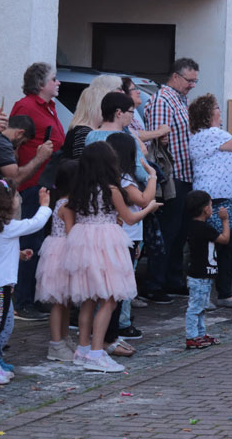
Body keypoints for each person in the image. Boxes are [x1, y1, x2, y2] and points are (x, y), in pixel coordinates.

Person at [61, 141, 160, 373]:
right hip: (106, 243)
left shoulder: (79, 189)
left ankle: (83, 349)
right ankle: (96, 352)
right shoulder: (111, 190)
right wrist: (149, 208)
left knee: (89, 298)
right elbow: (130, 218)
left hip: (83, 242)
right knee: (109, 299)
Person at [0, 179, 51, 384]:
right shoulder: (7, 227)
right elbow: (35, 223)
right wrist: (45, 206)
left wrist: (17, 254)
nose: (18, 199)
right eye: (15, 195)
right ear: (5, 202)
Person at [9, 63, 64, 322]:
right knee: (29, 242)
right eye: (54, 79)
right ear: (40, 84)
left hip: (46, 183)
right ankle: (22, 302)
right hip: (30, 183)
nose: (58, 82)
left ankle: (33, 297)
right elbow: (13, 142)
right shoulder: (26, 106)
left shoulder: (49, 106)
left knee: (40, 242)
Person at [143, 57, 199, 303]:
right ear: (175, 76)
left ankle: (173, 280)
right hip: (171, 177)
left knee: (180, 231)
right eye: (189, 81)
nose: (192, 85)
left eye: (195, 81)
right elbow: (158, 144)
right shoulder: (162, 101)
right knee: (167, 231)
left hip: (185, 174)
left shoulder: (180, 99)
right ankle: (155, 284)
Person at [188, 94, 232, 309]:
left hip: (208, 194)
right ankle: (222, 294)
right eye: (216, 107)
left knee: (209, 247)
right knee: (221, 246)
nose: (219, 110)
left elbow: (218, 163)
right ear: (208, 114)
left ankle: (209, 294)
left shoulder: (200, 137)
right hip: (217, 198)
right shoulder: (214, 134)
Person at [105, 133, 155, 346]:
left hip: (127, 235)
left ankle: (112, 333)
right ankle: (114, 333)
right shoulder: (123, 179)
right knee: (120, 288)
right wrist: (152, 176)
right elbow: (144, 200)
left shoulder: (113, 177)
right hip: (125, 236)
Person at [34, 160, 78, 363]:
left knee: (65, 301)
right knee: (59, 302)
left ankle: (64, 338)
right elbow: (71, 232)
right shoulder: (67, 205)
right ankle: (56, 343)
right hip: (62, 253)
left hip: (57, 250)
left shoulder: (60, 200)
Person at [182, 190, 230, 350]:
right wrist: (225, 220)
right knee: (195, 307)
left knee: (201, 307)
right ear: (205, 209)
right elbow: (225, 239)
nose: (212, 208)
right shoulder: (204, 228)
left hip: (202, 274)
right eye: (210, 205)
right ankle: (191, 336)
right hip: (200, 275)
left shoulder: (194, 226)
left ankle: (200, 334)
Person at [0, 115, 52, 186]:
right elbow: (15, 179)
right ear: (19, 133)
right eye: (23, 143)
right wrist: (40, 157)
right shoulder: (1, 142)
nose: (19, 147)